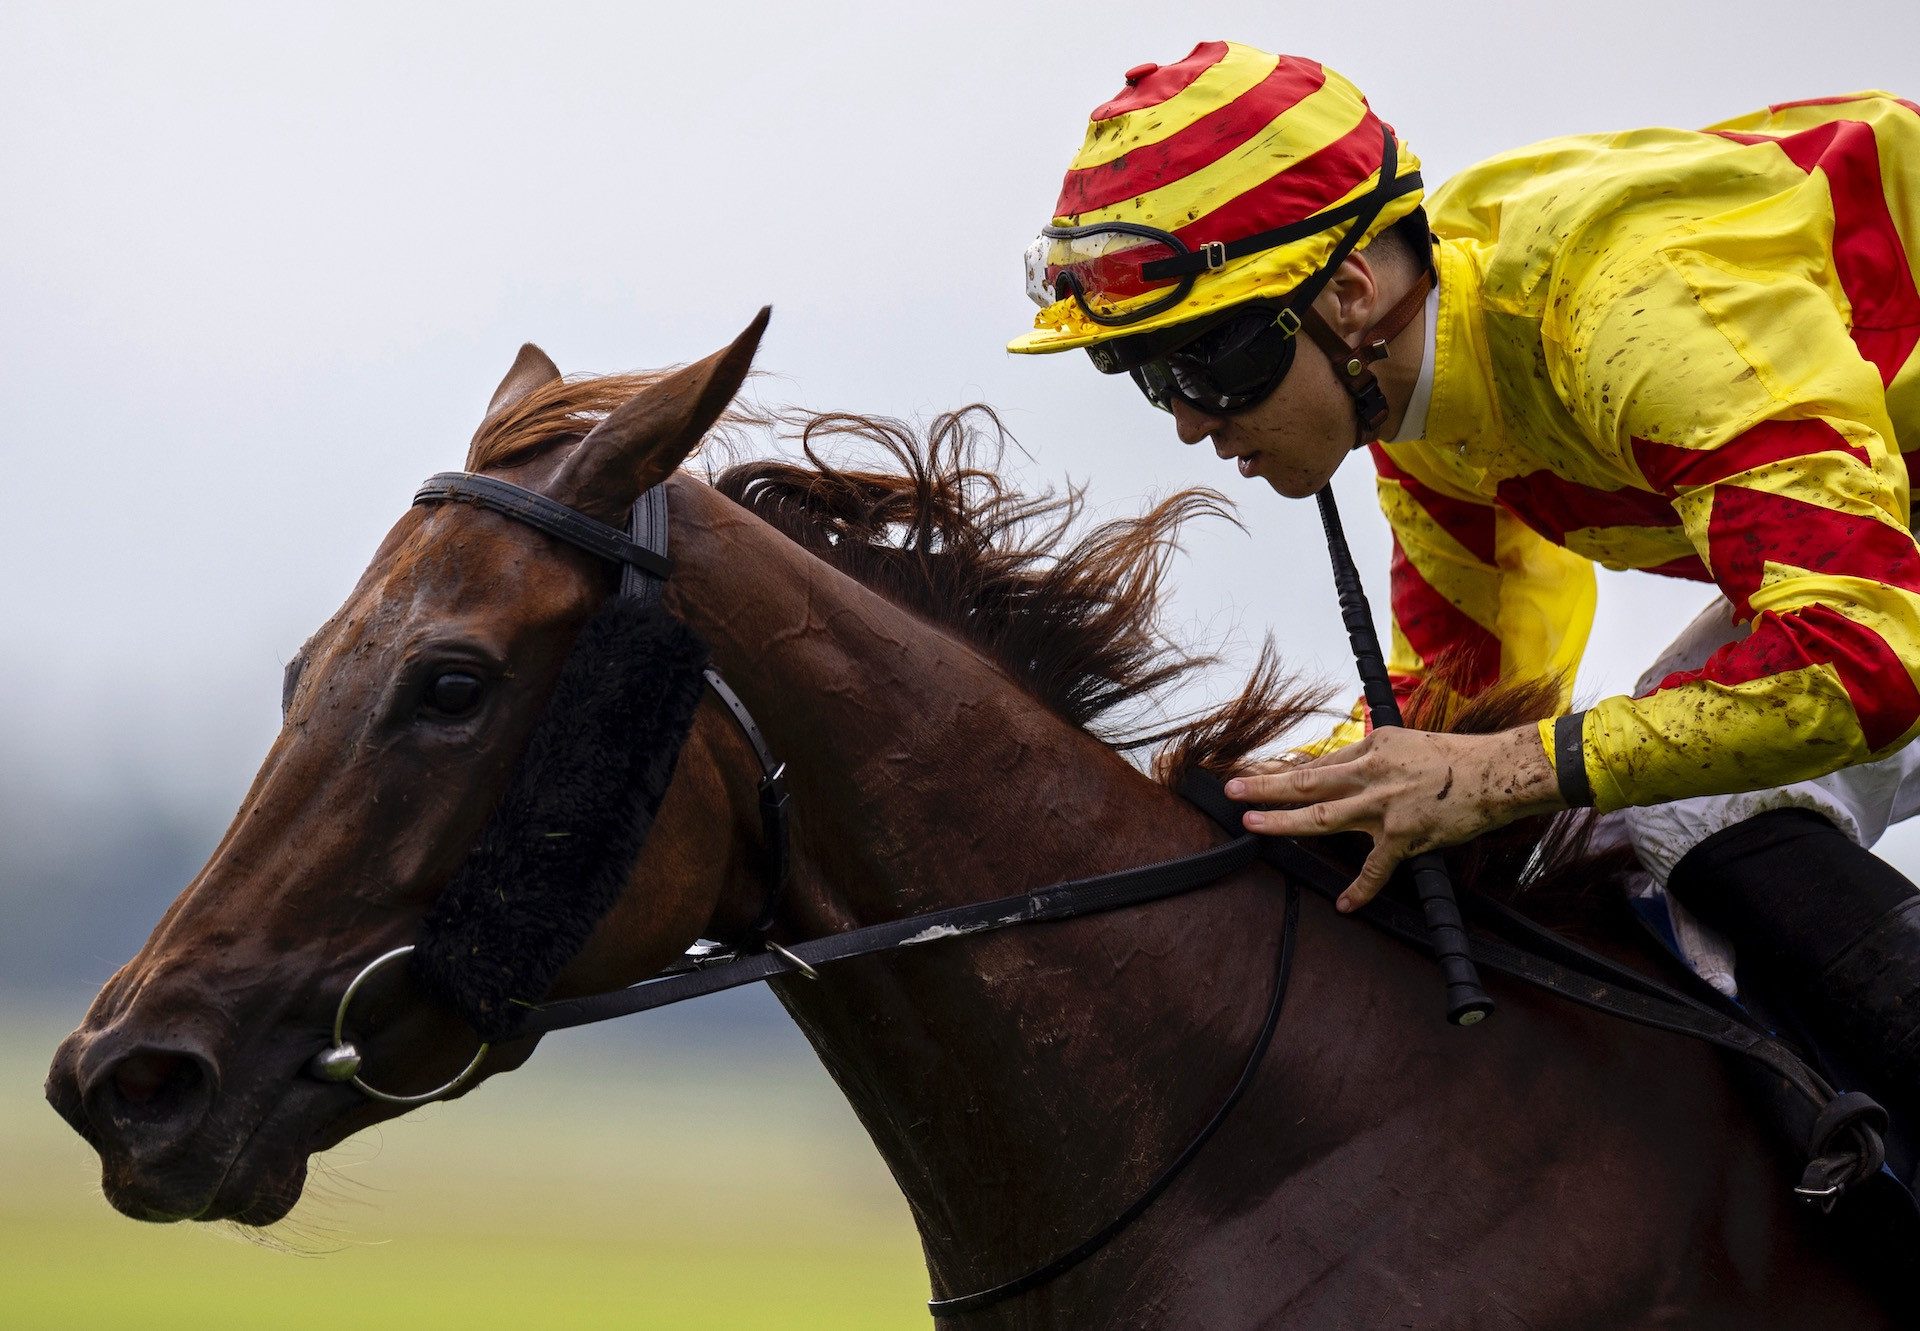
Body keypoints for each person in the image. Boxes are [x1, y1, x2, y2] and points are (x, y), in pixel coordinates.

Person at [1010, 41, 1920, 1095]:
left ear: (1349, 290)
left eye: (1211, 358)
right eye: (1145, 372)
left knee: (1683, 809)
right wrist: (1221, 817)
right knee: (1619, 806)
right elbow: (1468, 707)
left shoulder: (1636, 314)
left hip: (1873, 598)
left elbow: (1860, 660)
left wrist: (1497, 770)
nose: (1188, 422)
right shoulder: (1431, 399)